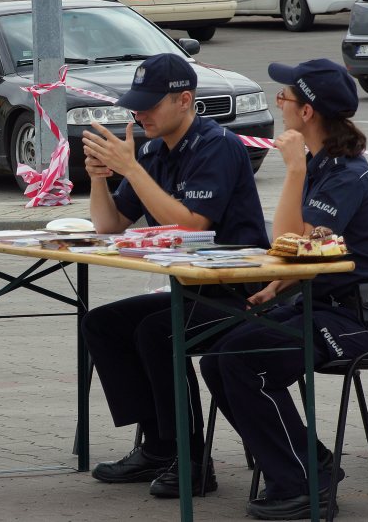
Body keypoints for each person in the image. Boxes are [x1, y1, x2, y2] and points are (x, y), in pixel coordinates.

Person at [200, 58, 368, 520]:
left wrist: (291, 172)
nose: (279, 104)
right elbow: (305, 255)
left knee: (248, 363)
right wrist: (275, 287)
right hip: (320, 302)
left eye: (284, 97)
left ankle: (301, 484)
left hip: (360, 319)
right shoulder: (320, 164)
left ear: (307, 111)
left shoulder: (344, 174)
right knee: (218, 359)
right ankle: (311, 464)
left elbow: (294, 245)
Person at [80, 53, 270, 499]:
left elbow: (192, 224)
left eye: (149, 105)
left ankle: (192, 460)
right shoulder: (151, 151)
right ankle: (159, 446)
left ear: (185, 100)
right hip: (194, 288)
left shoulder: (217, 146)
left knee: (157, 333)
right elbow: (109, 225)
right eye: (135, 105)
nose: (139, 114)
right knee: (103, 323)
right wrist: (98, 177)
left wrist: (130, 169)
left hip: (240, 291)